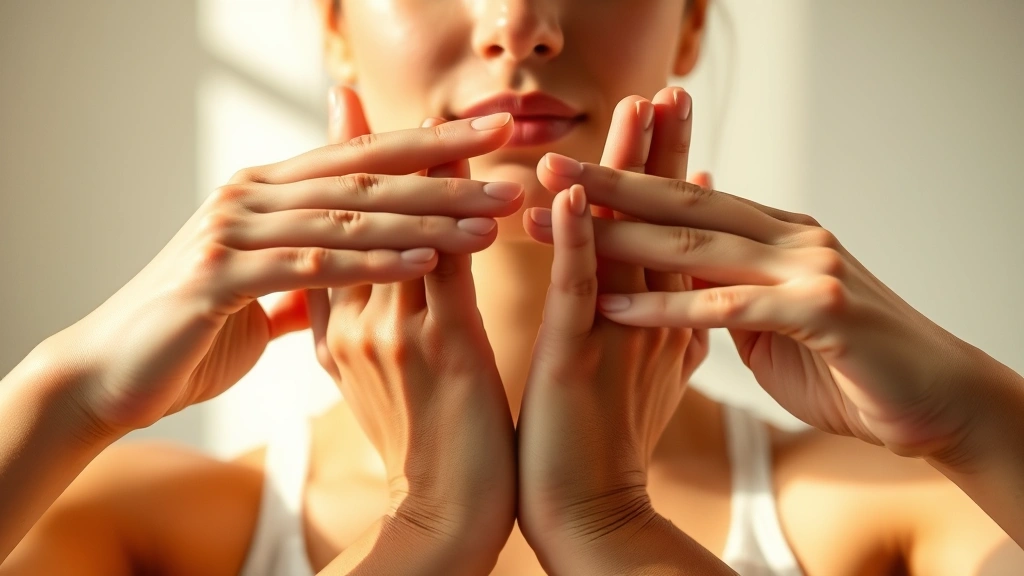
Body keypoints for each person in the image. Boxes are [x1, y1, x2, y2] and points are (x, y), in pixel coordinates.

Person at [2, 0, 1023, 574]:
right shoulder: (146, 531)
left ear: (690, 24)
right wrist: (63, 390)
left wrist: (978, 416)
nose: (518, 22)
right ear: (333, 26)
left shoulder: (884, 522)